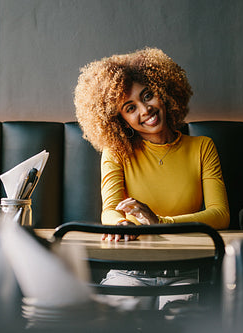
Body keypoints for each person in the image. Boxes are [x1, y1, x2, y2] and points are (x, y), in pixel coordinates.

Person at [74, 47, 229, 309]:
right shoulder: (116, 152)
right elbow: (110, 210)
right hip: (129, 270)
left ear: (163, 90)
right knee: (114, 322)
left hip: (185, 271)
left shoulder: (202, 147)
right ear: (120, 120)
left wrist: (158, 223)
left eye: (148, 95)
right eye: (130, 107)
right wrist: (120, 224)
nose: (145, 110)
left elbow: (221, 214)